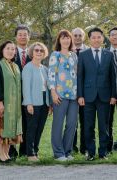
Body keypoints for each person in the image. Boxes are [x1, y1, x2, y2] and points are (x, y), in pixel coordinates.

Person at [77, 27, 116, 160]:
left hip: (105, 96)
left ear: (102, 38)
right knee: (88, 126)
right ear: (89, 39)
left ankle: (103, 152)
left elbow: (113, 77)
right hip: (87, 96)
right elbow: (80, 77)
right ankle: (91, 152)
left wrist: (113, 95)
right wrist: (80, 95)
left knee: (103, 126)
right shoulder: (83, 55)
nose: (96, 39)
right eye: (93, 37)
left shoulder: (109, 55)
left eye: (99, 37)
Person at [0, 40, 22, 163]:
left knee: (10, 129)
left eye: (13, 49)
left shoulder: (15, 66)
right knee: (1, 128)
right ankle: (1, 154)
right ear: (2, 50)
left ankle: (6, 153)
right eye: (8, 48)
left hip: (14, 104)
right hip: (2, 102)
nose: (11, 51)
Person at [48, 30, 79, 161]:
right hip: (59, 94)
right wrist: (53, 93)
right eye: (63, 38)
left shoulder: (74, 55)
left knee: (72, 124)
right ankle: (58, 153)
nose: (65, 40)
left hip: (74, 95)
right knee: (58, 124)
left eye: (68, 38)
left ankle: (67, 151)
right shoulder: (55, 55)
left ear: (70, 40)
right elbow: (51, 75)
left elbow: (76, 74)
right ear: (59, 40)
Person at [22, 42, 51, 162]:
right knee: (32, 128)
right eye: (36, 50)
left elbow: (48, 88)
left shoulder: (44, 69)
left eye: (41, 51)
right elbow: (26, 87)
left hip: (44, 102)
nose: (39, 52)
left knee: (40, 128)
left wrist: (49, 104)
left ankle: (36, 151)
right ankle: (30, 154)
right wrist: (28, 103)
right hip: (33, 102)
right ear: (32, 52)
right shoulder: (28, 67)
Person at [9, 25, 32, 159]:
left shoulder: (34, 52)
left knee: (28, 123)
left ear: (29, 37)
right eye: (20, 34)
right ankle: (12, 150)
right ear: (16, 37)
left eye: (25, 34)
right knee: (13, 123)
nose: (23, 37)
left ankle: (25, 150)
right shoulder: (10, 52)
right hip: (13, 95)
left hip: (29, 95)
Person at [71, 27, 88, 154]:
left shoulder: (88, 51)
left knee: (85, 120)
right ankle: (72, 147)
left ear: (84, 37)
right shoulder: (65, 50)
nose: (77, 37)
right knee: (72, 121)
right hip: (70, 91)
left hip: (86, 92)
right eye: (75, 35)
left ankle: (84, 148)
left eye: (79, 35)